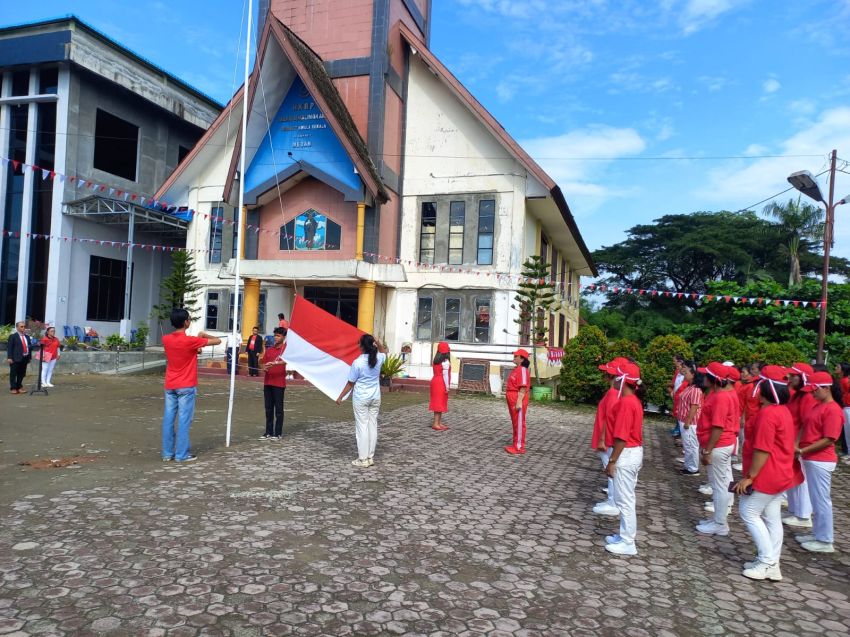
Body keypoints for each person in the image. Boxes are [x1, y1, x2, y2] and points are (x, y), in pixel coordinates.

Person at [734, 365, 802, 581]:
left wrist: (750, 477)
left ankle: (766, 561)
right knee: (772, 518)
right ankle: (773, 564)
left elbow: (762, 449)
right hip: (780, 472)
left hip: (768, 473)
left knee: (748, 511)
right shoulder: (782, 411)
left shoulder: (769, 414)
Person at [161, 309, 221, 462]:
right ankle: (181, 454)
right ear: (185, 322)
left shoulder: (166, 339)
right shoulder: (190, 340)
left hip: (170, 384)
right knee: (184, 420)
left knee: (168, 419)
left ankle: (167, 453)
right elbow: (218, 341)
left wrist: (196, 345)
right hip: (186, 384)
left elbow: (189, 351)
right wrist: (203, 334)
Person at [795, 371, 844, 553]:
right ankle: (818, 534)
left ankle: (825, 540)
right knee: (816, 499)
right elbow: (805, 427)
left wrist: (803, 450)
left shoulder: (833, 410)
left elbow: (829, 439)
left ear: (826, 388)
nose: (812, 393)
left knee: (822, 500)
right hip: (811, 457)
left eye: (815, 390)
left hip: (821, 459)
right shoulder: (818, 405)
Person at [604, 361, 645, 556]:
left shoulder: (627, 403)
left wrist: (612, 461)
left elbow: (621, 436)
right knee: (625, 498)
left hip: (626, 454)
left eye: (616, 375)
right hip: (630, 453)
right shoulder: (632, 400)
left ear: (623, 380)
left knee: (625, 500)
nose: (612, 378)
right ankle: (624, 536)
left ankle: (628, 542)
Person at [696, 361, 741, 536]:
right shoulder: (718, 394)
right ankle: (717, 519)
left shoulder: (721, 397)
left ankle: (720, 523)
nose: (703, 378)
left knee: (719, 486)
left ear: (713, 379)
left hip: (718, 445)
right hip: (719, 444)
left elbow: (718, 427)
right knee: (720, 484)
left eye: (706, 375)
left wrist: (708, 450)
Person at [336, 334, 387, 468]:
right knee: (372, 425)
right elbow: (384, 351)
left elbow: (350, 383)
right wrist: (378, 342)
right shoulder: (378, 358)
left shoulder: (358, 362)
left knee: (362, 427)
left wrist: (341, 396)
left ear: (362, 346)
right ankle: (370, 456)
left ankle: (363, 459)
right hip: (375, 397)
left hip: (361, 398)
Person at [592, 357, 626, 517]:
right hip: (608, 437)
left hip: (608, 438)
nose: (603, 375)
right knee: (611, 471)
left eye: (606, 372)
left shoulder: (613, 394)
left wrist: (602, 439)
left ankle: (613, 502)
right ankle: (612, 500)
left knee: (611, 471)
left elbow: (609, 419)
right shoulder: (614, 392)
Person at [783, 363, 815, 529]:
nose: (789, 377)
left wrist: (797, 444)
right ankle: (794, 510)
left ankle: (803, 515)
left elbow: (805, 423)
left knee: (801, 479)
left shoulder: (807, 397)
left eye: (793, 375)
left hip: (798, 443)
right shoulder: (798, 395)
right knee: (793, 477)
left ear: (803, 378)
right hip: (791, 441)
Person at [676, 362, 704, 476]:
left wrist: (687, 421)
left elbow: (694, 406)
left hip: (690, 423)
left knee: (691, 445)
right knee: (687, 445)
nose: (685, 374)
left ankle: (693, 468)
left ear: (693, 375)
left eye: (687, 372)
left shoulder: (696, 389)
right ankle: (688, 466)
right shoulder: (690, 386)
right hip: (684, 420)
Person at [260, 327, 287, 440]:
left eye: (278, 336)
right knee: (268, 409)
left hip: (279, 383)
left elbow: (287, 361)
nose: (276, 338)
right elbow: (263, 362)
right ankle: (268, 432)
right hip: (268, 382)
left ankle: (278, 433)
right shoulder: (270, 349)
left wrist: (275, 363)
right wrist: (264, 368)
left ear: (283, 337)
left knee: (279, 410)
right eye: (275, 335)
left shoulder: (286, 349)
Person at [504, 348, 531, 455]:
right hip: (512, 397)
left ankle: (519, 447)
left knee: (519, 423)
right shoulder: (517, 369)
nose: (514, 357)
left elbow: (523, 387)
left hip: (517, 398)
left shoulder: (523, 370)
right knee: (515, 422)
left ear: (522, 359)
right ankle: (515, 444)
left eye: (516, 356)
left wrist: (519, 401)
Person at [429, 342, 451, 431]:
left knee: (438, 402)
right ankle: (436, 423)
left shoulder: (436, 361)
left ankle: (438, 422)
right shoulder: (445, 362)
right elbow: (445, 375)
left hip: (435, 381)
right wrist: (447, 387)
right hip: (441, 383)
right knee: (439, 403)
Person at [6, 321, 31, 394]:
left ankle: (19, 387)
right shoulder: (13, 336)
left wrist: (29, 357)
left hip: (25, 358)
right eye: (21, 326)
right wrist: (9, 357)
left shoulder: (27, 337)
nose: (23, 328)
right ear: (17, 328)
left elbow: (29, 347)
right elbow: (9, 348)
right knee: (13, 374)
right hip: (15, 358)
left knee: (22, 374)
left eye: (24, 326)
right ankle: (13, 388)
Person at [668, 355, 685, 437]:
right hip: (676, 395)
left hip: (681, 397)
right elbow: (675, 384)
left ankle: (678, 430)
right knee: (676, 412)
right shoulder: (678, 373)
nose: (677, 368)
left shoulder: (685, 376)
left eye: (678, 366)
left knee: (679, 413)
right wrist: (672, 391)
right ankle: (677, 428)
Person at [836, 362, 850, 461]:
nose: (836, 368)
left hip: (848, 406)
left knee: (848, 431)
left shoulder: (845, 380)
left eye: (838, 367)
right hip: (846, 406)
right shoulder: (844, 380)